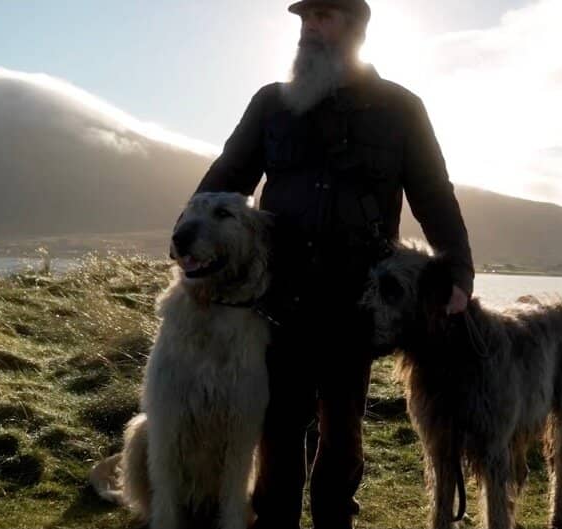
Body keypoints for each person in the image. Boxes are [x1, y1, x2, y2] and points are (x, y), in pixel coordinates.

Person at [192, 0, 473, 527]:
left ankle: (334, 520)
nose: (309, 28)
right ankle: (273, 519)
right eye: (304, 19)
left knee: (342, 431)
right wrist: (191, 238)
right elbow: (227, 177)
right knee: (277, 425)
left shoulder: (401, 109)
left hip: (357, 305)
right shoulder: (270, 105)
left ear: (356, 27)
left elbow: (435, 196)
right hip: (279, 297)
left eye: (323, 17)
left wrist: (458, 274)